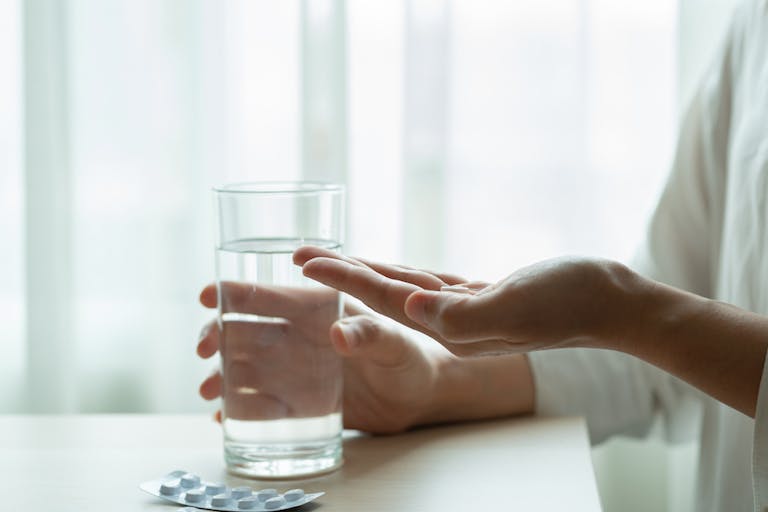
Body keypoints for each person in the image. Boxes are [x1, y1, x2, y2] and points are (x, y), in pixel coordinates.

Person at [197, 0, 768, 510]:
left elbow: (653, 322)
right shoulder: (752, 24)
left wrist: (618, 307)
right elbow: (656, 359)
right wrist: (431, 386)